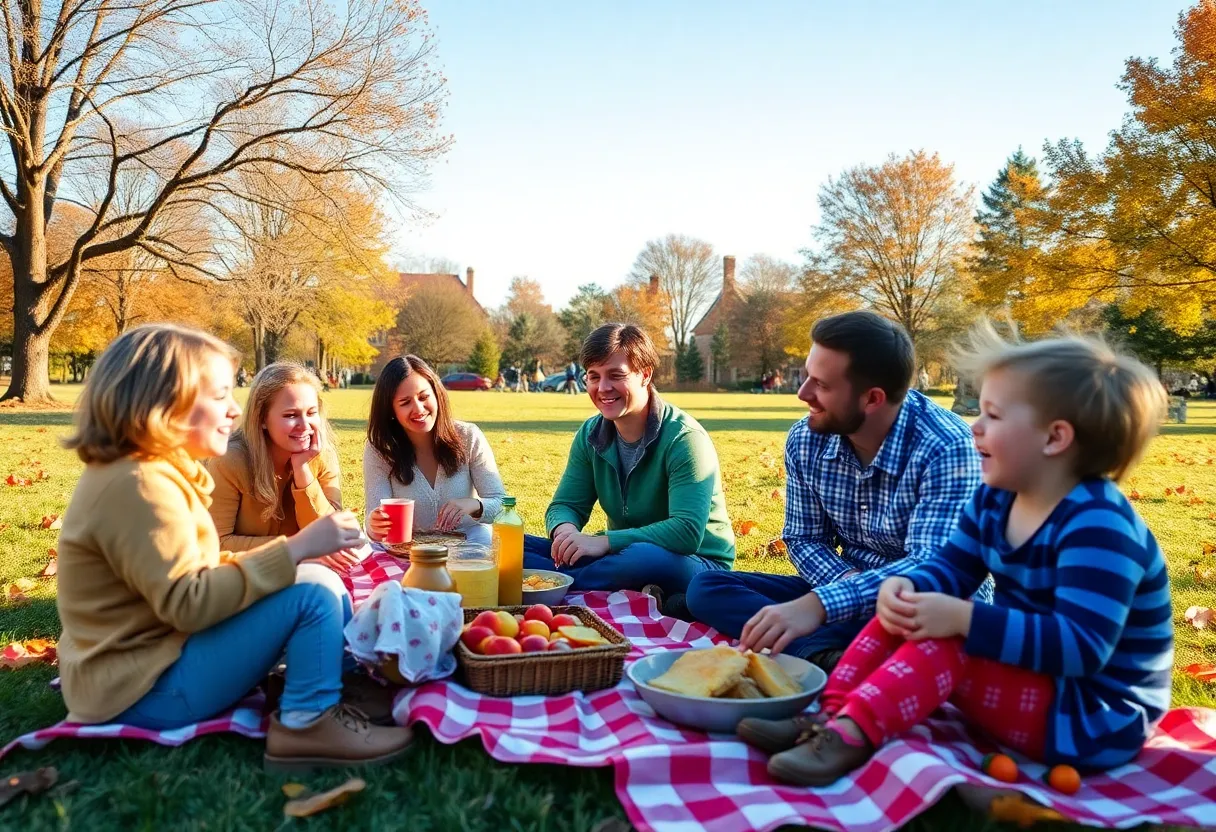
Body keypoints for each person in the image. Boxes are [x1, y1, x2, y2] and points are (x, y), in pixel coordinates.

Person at [742, 322, 1174, 786]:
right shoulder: (997, 499)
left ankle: (853, 734)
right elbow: (951, 568)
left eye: (993, 415)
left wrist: (963, 620)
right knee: (903, 610)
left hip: (1090, 719)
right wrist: (907, 589)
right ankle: (831, 715)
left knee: (948, 641)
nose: (975, 426)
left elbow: (1080, 647)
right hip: (1033, 682)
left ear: (1054, 438)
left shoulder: (1099, 525)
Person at [55, 324, 413, 769]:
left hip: (150, 668)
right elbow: (189, 604)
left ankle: (331, 689)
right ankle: (307, 723)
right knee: (315, 593)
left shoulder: (148, 472)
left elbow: (201, 568)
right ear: (168, 403)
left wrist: (295, 554)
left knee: (318, 578)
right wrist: (294, 549)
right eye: (221, 395)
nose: (233, 411)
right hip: (143, 691)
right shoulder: (139, 485)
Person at [686, 310, 985, 671]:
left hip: (927, 606)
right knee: (706, 588)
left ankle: (823, 651)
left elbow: (933, 568)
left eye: (821, 385)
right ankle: (829, 655)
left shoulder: (947, 447)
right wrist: (843, 586)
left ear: (872, 399)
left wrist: (822, 606)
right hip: (841, 582)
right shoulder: (806, 438)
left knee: (926, 638)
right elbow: (803, 538)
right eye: (807, 376)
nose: (802, 393)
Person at [523, 323, 735, 611]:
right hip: (620, 552)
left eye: (616, 375)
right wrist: (565, 533)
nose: (603, 388)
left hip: (697, 564)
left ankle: (554, 579)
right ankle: (646, 594)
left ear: (645, 374)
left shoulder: (685, 439)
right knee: (512, 544)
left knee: (643, 559)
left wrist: (605, 542)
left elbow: (686, 531)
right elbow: (565, 504)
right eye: (593, 377)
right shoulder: (590, 435)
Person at [207, 362, 356, 610]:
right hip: (244, 585)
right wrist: (298, 548)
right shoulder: (230, 460)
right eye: (290, 415)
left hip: (307, 578)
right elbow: (216, 545)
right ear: (262, 419)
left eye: (311, 413)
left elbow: (330, 534)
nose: (305, 425)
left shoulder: (322, 454)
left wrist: (302, 471)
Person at [364, 355, 505, 547]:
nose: (419, 409)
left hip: (468, 547)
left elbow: (502, 506)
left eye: (423, 397)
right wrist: (374, 525)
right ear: (391, 410)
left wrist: (473, 505)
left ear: (437, 394)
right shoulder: (380, 449)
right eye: (405, 402)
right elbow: (375, 520)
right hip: (407, 552)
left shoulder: (469, 436)